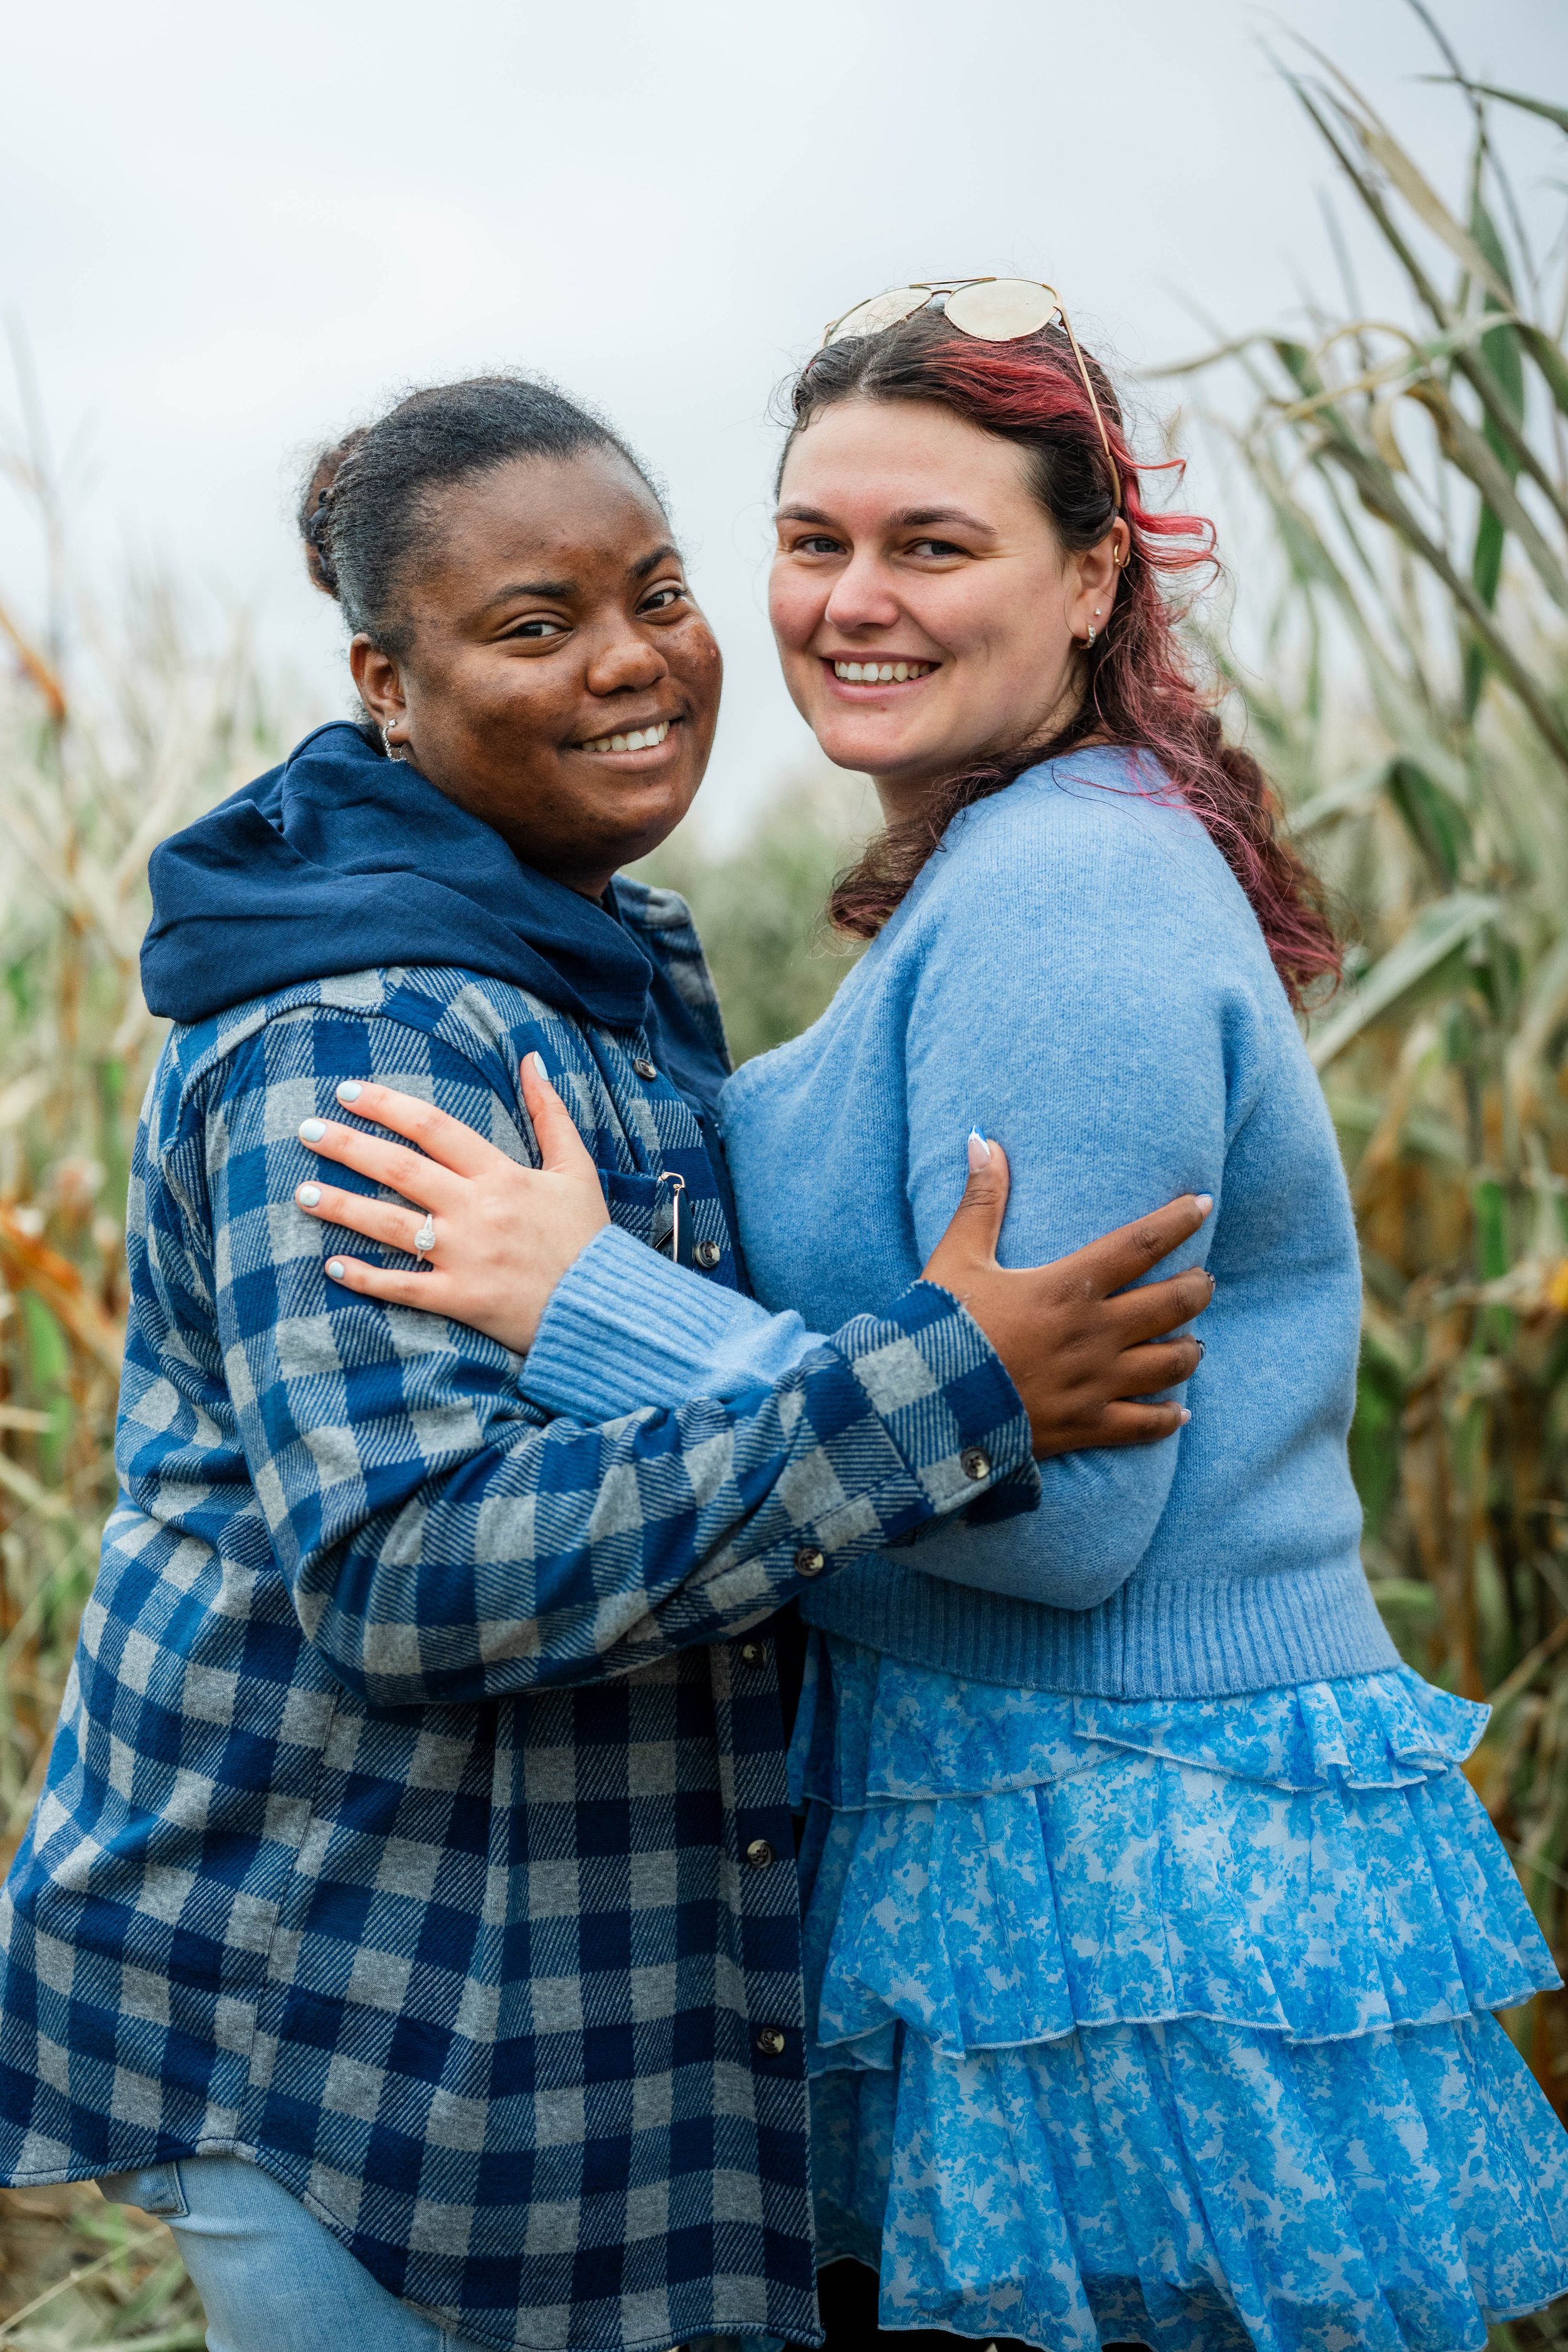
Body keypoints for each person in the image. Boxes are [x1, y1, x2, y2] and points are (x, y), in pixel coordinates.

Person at [309, 289, 1568, 2352]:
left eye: (932, 546)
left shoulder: (1067, 901)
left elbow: (1056, 1523)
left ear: (1089, 580)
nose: (849, 603)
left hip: (1112, 1890)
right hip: (1029, 1850)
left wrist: (588, 1304)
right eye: (812, 543)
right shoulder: (1006, 867)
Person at [0, 373, 1212, 2352]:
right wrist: (939, 1392)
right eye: (533, 627)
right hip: (358, 2013)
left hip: (538, 1999)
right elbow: (406, 1563)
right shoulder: (362, 1030)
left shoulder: (587, 958)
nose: (632, 665)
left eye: (654, 593)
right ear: (388, 687)